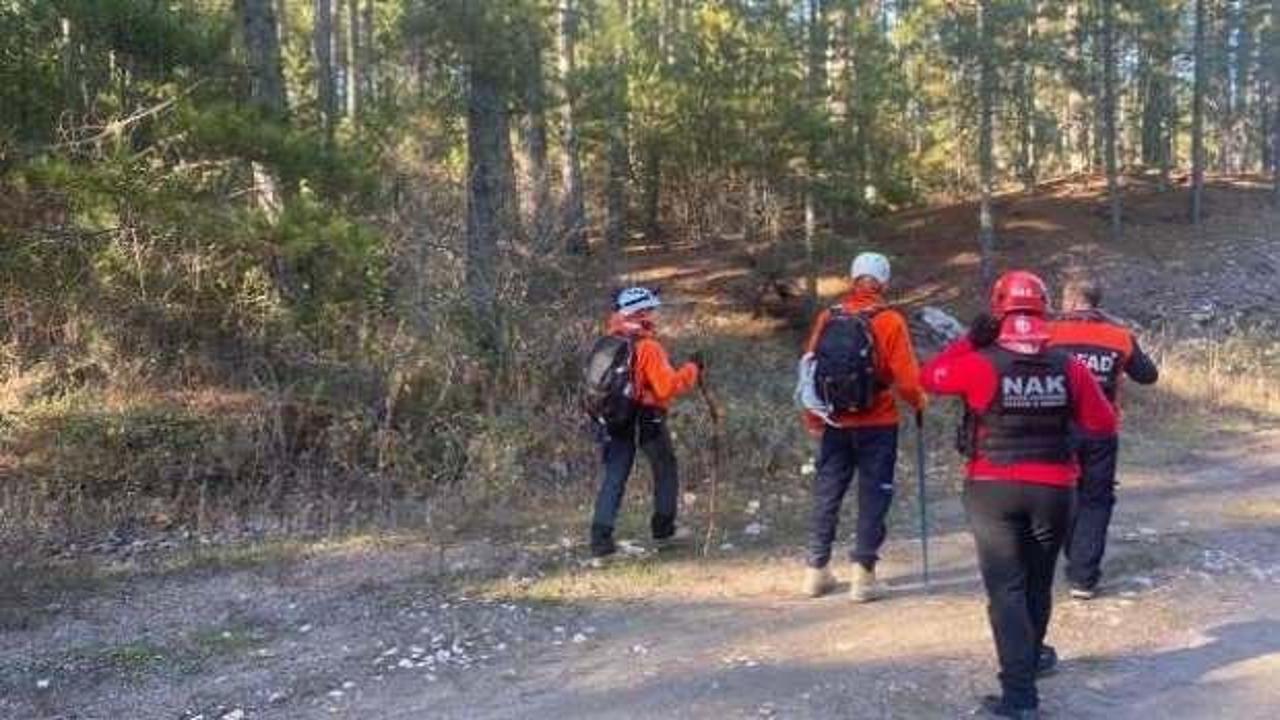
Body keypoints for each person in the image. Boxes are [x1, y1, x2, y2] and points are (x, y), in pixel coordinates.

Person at [920, 271, 1117, 720]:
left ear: (997, 309)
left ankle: (1020, 696)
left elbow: (928, 377)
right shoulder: (1070, 366)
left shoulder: (980, 360)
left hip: (992, 489)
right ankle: (1031, 662)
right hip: (1055, 490)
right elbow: (1104, 424)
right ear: (1044, 308)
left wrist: (970, 339)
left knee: (1007, 589)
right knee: (1037, 583)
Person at [796, 252, 926, 602]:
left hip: (835, 422)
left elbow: (809, 371)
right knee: (873, 494)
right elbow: (907, 378)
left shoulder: (828, 316)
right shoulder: (889, 320)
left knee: (828, 492)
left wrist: (813, 418)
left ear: (852, 278)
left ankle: (815, 571)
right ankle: (863, 577)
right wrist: (919, 403)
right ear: (883, 281)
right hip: (879, 423)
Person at [1048, 278, 1159, 599]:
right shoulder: (1119, 336)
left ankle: (1069, 558)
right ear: (1097, 301)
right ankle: (1083, 577)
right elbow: (1148, 375)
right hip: (1101, 430)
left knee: (1062, 493)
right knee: (1095, 500)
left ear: (1069, 301)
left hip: (1056, 427)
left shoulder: (1048, 333)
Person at [590, 287, 702, 559]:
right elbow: (666, 388)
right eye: (651, 309)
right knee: (665, 469)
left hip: (613, 417)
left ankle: (601, 542)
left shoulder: (608, 340)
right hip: (646, 417)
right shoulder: (648, 346)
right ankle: (664, 531)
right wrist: (693, 370)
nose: (655, 314)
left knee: (615, 476)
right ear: (641, 313)